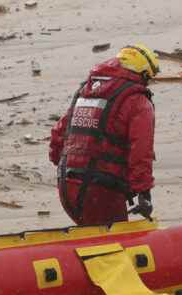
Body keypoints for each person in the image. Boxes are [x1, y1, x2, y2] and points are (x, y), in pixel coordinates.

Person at [49, 44, 160, 225]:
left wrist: (61, 162)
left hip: (66, 185)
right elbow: (141, 151)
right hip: (101, 190)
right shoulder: (137, 101)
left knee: (90, 235)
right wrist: (144, 193)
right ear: (144, 74)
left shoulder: (86, 92)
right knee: (114, 242)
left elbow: (59, 134)